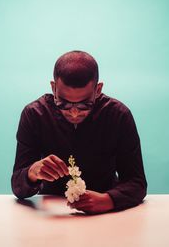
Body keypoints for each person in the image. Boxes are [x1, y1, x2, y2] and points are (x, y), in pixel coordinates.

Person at [11, 50, 147, 214]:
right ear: (54, 88)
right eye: (64, 104)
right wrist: (32, 172)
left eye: (84, 105)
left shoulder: (118, 115)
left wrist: (108, 200)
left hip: (107, 216)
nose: (74, 113)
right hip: (52, 214)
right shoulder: (34, 114)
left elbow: (137, 182)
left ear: (98, 90)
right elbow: (18, 187)